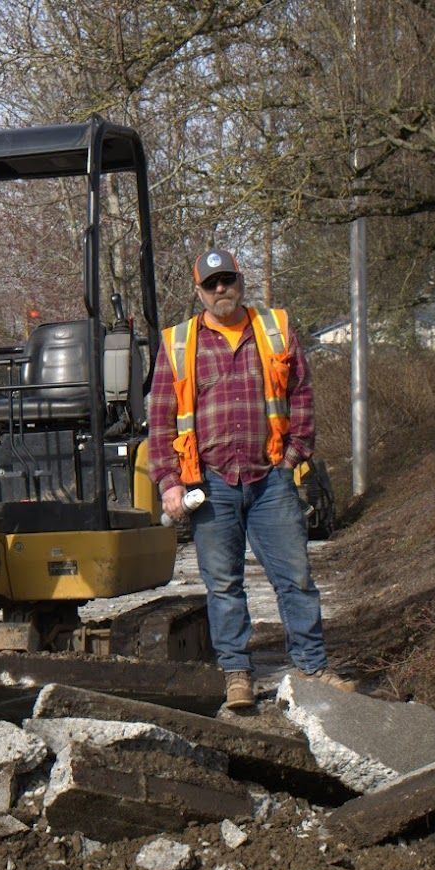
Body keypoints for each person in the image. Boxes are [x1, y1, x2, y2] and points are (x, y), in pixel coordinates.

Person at [147, 248, 354, 711]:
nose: (222, 290)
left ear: (241, 282)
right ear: (198, 291)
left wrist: (297, 454)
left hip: (270, 480)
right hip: (211, 483)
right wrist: (169, 482)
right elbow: (160, 420)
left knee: (295, 578)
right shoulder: (179, 343)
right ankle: (237, 675)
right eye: (212, 283)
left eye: (228, 280)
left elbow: (300, 391)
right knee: (223, 585)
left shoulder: (275, 327)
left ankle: (313, 666)